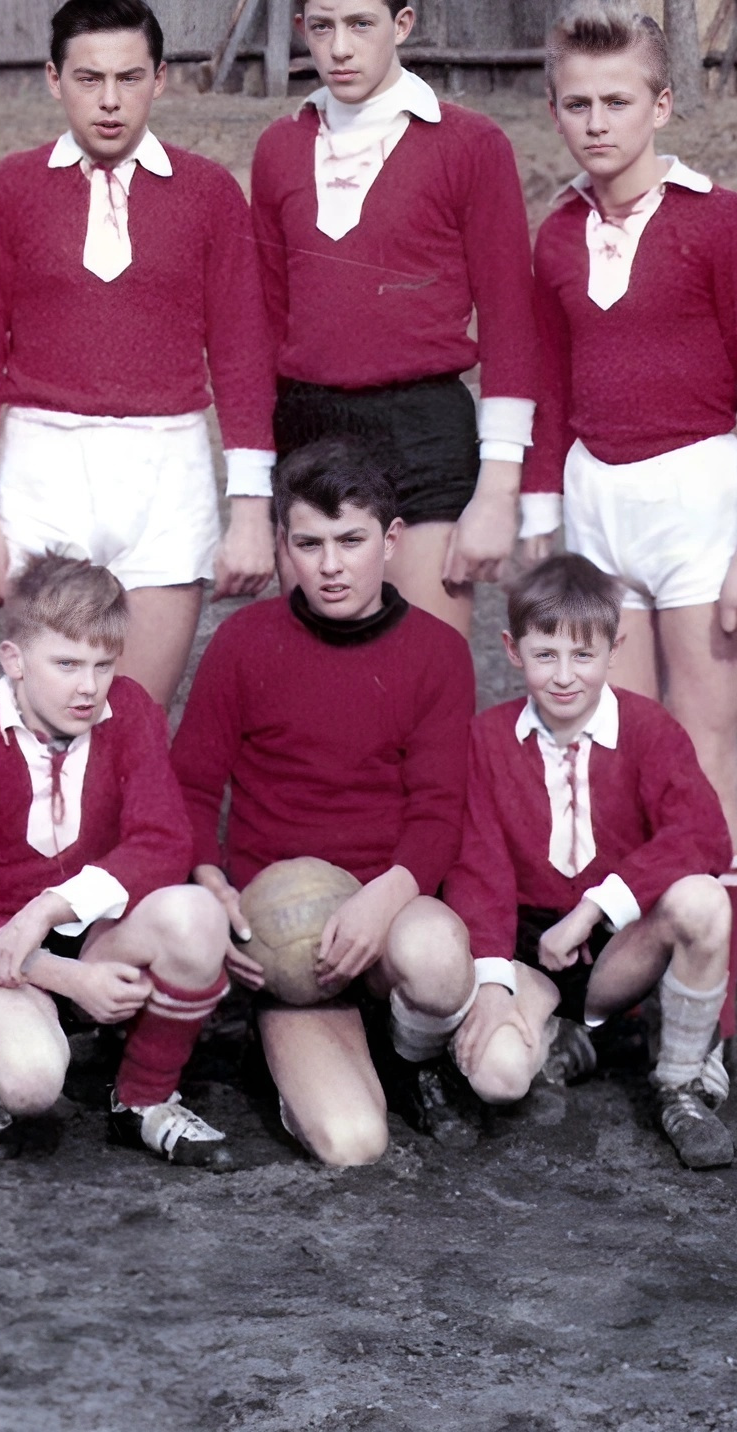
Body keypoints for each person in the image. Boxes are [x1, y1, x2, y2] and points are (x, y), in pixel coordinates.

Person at [514, 0, 737, 1090]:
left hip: (695, 497)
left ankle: (709, 1017)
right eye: (576, 104)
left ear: (662, 103)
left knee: (702, 754)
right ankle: (610, 998)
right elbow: (542, 392)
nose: (597, 123)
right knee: (609, 749)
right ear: (555, 109)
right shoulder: (554, 233)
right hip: (594, 502)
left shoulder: (722, 223)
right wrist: (543, 526)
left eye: (618, 101)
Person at [0, 0, 275, 704]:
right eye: (89, 79)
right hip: (43, 466)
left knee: (135, 723)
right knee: (47, 718)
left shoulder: (209, 193)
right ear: (54, 79)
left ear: (159, 78)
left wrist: (250, 507)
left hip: (168, 469)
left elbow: (243, 355)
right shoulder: (11, 189)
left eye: (129, 78)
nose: (109, 101)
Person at [172, 438, 481, 1165]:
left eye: (352, 541)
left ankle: (413, 1057)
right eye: (309, 544)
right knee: (353, 1144)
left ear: (392, 540)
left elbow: (439, 812)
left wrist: (381, 902)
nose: (331, 565)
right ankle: (287, 1049)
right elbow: (187, 787)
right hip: (289, 937)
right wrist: (215, 888)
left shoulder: (438, 653)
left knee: (436, 958)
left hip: (388, 907)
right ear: (283, 544)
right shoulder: (245, 642)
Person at [249, 0, 537, 638]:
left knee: (423, 673)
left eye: (361, 24)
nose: (340, 48)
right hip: (309, 428)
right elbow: (261, 328)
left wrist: (499, 490)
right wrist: (252, 487)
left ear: (401, 26)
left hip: (423, 431)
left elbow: (511, 323)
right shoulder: (279, 148)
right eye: (322, 26)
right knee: (320, 682)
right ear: (301, 31)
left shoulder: (470, 145)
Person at [0, 556, 235, 1169]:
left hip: (81, 932)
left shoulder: (131, 711)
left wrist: (52, 908)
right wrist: (66, 979)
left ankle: (143, 1098)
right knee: (32, 1083)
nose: (88, 688)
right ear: (13, 660)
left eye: (102, 665)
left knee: (195, 916)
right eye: (66, 664)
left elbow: (163, 840)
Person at [445, 555, 737, 1168]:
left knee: (702, 900)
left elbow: (704, 833)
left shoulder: (649, 728)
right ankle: (579, 1037)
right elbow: (480, 869)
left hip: (615, 944)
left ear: (614, 649)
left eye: (583, 655)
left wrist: (592, 908)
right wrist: (494, 984)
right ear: (512, 649)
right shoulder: (486, 738)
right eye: (545, 653)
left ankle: (680, 1086)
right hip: (532, 951)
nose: (563, 675)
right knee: (498, 1078)